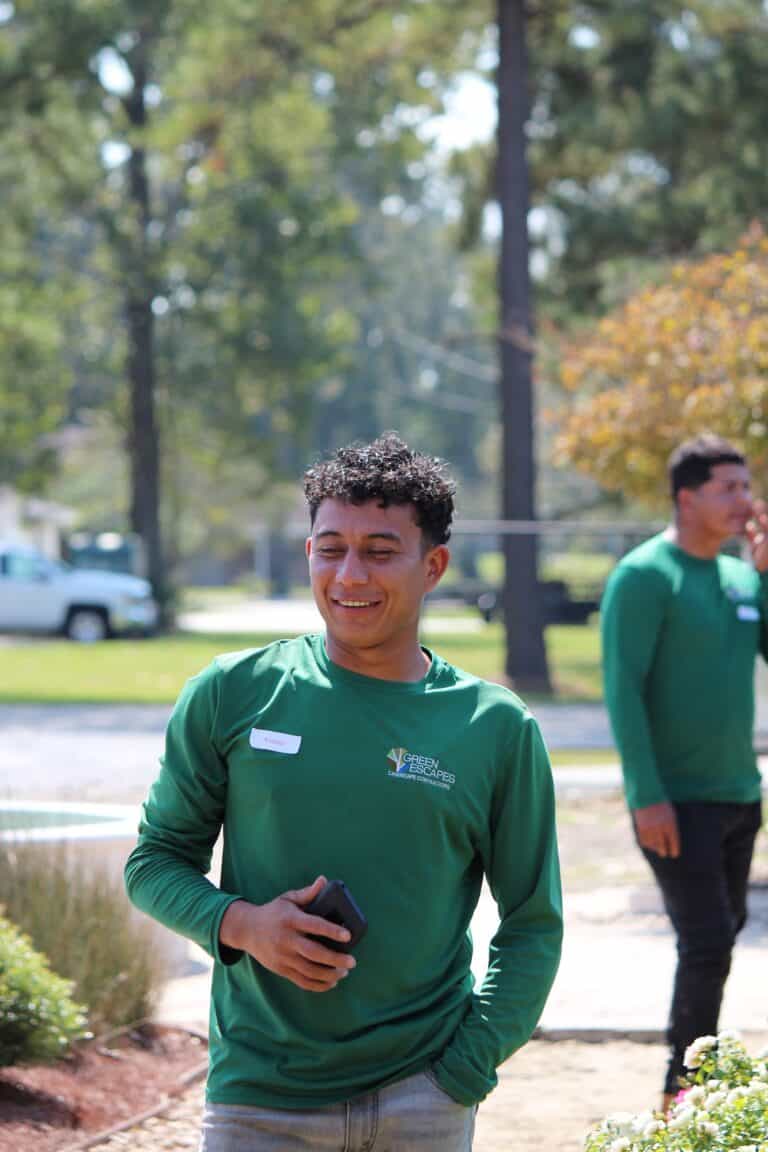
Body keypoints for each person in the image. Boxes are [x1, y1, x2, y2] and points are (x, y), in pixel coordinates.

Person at [125, 433, 562, 1152]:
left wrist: (462, 1072)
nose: (349, 574)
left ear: (433, 566)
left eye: (380, 552)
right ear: (308, 554)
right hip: (258, 1099)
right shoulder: (233, 692)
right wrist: (242, 924)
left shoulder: (494, 727)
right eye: (331, 549)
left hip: (424, 1098)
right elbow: (153, 863)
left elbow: (533, 923)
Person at [601, 433, 767, 1109]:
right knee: (707, 943)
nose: (744, 500)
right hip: (676, 801)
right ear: (686, 497)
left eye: (746, 486)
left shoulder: (742, 578)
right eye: (728, 488)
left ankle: (697, 1081)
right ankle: (683, 1090)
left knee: (720, 935)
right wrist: (646, 796)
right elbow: (623, 690)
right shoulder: (645, 576)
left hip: (740, 794)